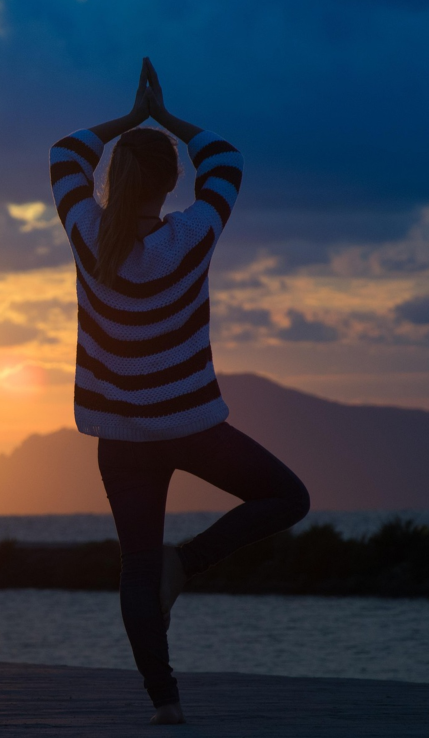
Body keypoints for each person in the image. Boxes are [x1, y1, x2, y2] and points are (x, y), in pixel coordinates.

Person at [48, 58, 310, 725]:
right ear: (170, 184)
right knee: (287, 498)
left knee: (136, 566)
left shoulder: (86, 234)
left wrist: (128, 121)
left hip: (119, 435)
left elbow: (64, 152)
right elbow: (225, 157)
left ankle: (166, 703)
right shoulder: (192, 234)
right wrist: (164, 119)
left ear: (113, 180)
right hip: (191, 424)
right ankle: (187, 564)